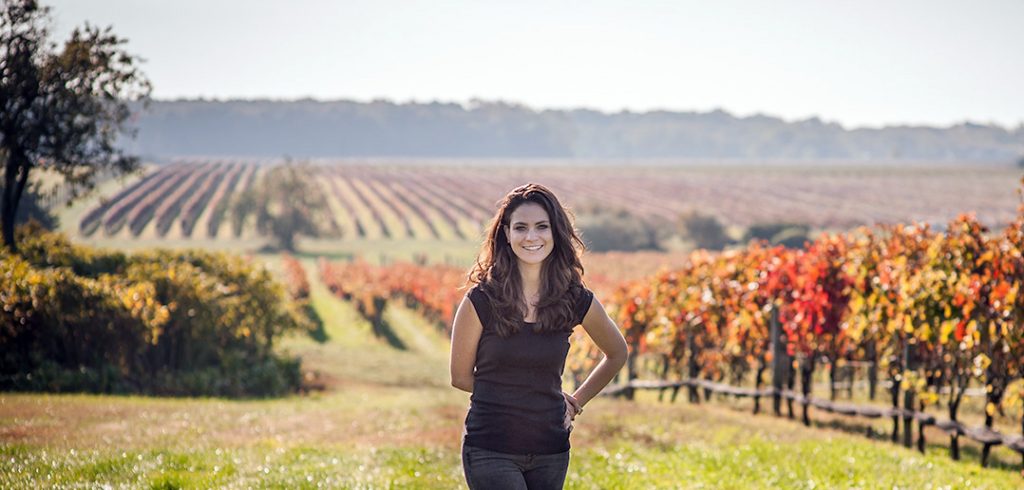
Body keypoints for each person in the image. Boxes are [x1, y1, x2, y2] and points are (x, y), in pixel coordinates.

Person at [449, 183, 629, 489]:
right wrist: (526, 392)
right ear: (506, 234)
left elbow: (617, 353)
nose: (531, 237)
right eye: (521, 227)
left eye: (541, 227)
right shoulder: (481, 300)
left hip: (551, 449)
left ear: (555, 232)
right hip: (491, 447)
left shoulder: (573, 298)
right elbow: (459, 376)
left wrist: (576, 402)